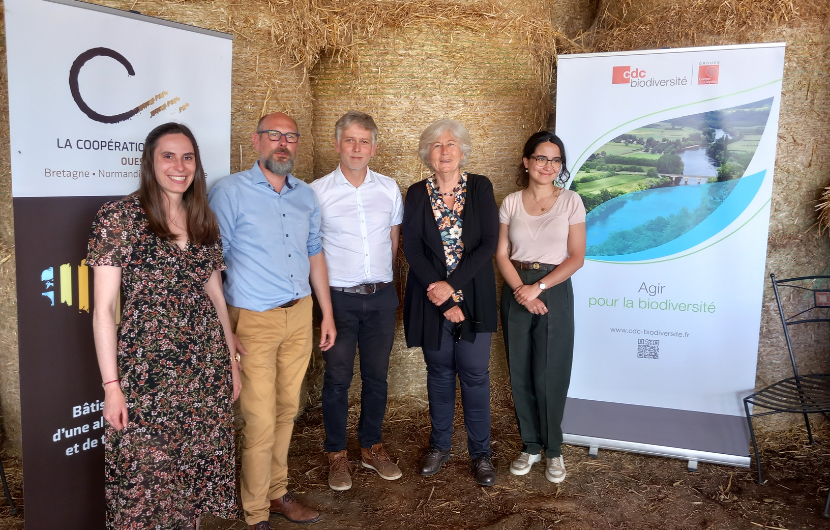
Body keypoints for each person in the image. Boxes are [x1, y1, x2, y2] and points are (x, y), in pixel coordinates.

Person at [89, 122, 240, 529]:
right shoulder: (119, 217)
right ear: (150, 163)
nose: (179, 165)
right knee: (144, 481)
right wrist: (111, 387)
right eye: (168, 156)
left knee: (190, 477)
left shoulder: (202, 217)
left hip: (204, 367)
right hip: (147, 373)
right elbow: (103, 310)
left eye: (187, 157)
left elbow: (215, 295)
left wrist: (231, 361)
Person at [209, 112, 336, 529]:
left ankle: (278, 493)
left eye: (291, 137)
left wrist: (325, 313)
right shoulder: (229, 192)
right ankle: (255, 513)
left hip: (299, 315)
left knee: (288, 410)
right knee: (260, 421)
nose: (283, 143)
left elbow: (314, 252)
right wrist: (226, 329)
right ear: (256, 140)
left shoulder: (305, 196)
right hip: (253, 321)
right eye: (274, 135)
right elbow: (213, 265)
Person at [309, 111, 404, 491]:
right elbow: (312, 250)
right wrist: (326, 307)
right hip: (339, 299)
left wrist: (381, 282)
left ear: (374, 147)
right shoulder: (317, 192)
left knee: (378, 378)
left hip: (381, 297)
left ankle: (371, 447)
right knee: (337, 379)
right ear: (337, 144)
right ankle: (336, 454)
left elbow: (393, 243)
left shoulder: (389, 188)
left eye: (364, 141)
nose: (357, 148)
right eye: (350, 140)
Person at [402, 119, 499, 487]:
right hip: (431, 301)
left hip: (473, 295)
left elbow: (487, 243)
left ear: (462, 150)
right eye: (437, 145)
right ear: (428, 153)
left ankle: (481, 454)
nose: (444, 151)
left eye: (451, 144)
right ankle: (440, 445)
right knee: (439, 374)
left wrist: (451, 287)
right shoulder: (415, 193)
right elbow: (412, 247)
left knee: (474, 374)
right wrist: (442, 297)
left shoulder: (480, 187)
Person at [495, 131, 586, 484]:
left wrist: (539, 288)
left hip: (554, 289)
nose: (548, 165)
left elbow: (577, 257)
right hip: (516, 290)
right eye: (542, 158)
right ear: (527, 161)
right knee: (519, 370)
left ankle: (554, 451)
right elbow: (501, 254)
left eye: (556, 159)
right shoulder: (511, 202)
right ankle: (530, 446)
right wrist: (521, 290)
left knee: (551, 372)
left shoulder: (571, 202)